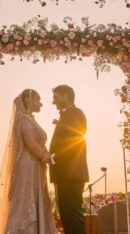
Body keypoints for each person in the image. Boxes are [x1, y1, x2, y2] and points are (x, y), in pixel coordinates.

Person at [0, 89, 56, 234]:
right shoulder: (25, 120)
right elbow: (31, 144)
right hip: (28, 165)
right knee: (26, 204)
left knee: (33, 201)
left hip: (35, 165)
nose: (41, 104)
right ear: (29, 101)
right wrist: (50, 158)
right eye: (38, 100)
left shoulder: (30, 119)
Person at [48, 85, 89, 234]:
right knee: (66, 215)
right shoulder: (66, 115)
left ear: (66, 96)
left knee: (72, 215)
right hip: (64, 173)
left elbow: (75, 140)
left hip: (71, 173)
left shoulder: (76, 113)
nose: (53, 101)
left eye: (56, 97)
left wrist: (53, 156)